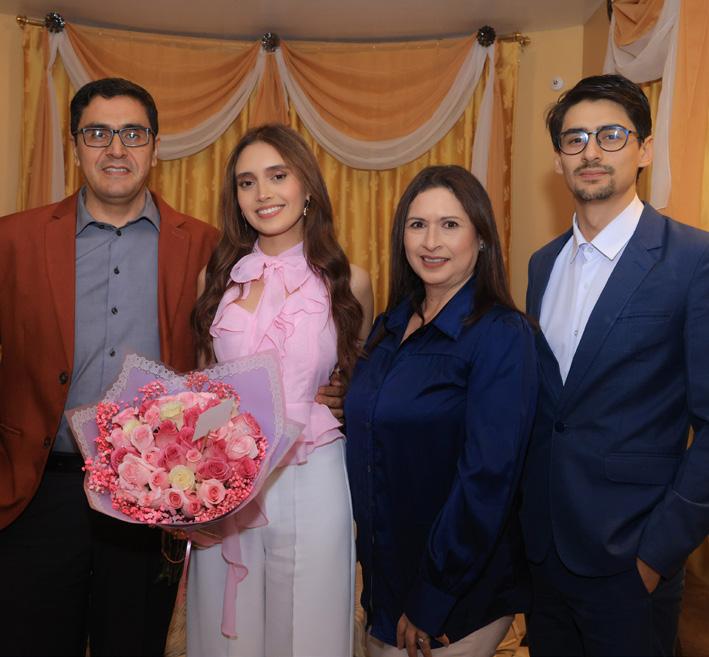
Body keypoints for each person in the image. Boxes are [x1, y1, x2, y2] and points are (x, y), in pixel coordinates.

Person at [0, 78, 220, 656]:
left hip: (148, 501)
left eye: (133, 134)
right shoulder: (14, 239)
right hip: (35, 493)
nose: (116, 149)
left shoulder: (206, 246)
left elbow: (230, 361)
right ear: (75, 144)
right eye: (97, 133)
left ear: (155, 147)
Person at [521, 74, 709, 656]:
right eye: (574, 139)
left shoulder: (693, 259)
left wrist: (657, 554)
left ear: (644, 149)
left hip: (631, 561)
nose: (591, 152)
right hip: (545, 556)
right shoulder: (542, 264)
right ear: (559, 159)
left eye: (611, 135)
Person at [188, 123, 373, 657]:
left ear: (307, 185)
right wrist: (194, 492)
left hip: (314, 470)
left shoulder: (351, 281)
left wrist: (343, 395)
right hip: (227, 476)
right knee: (228, 631)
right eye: (247, 182)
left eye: (277, 176)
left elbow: (360, 383)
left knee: (308, 628)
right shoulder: (215, 279)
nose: (262, 193)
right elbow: (201, 389)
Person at [345, 165, 538, 657]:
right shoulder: (390, 325)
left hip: (450, 599)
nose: (431, 241)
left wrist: (433, 595)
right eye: (418, 225)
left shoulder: (500, 334)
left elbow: (488, 479)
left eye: (450, 224)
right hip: (384, 584)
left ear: (482, 237)